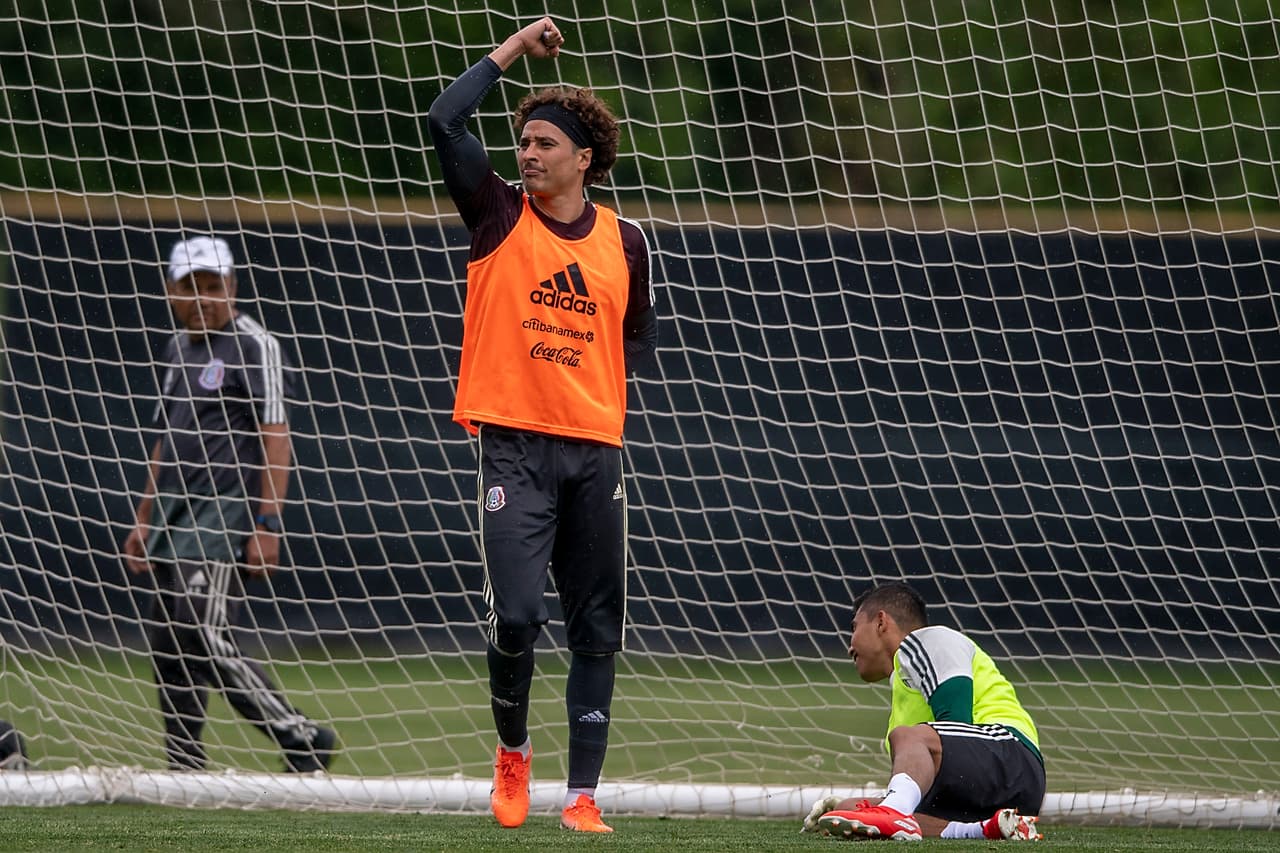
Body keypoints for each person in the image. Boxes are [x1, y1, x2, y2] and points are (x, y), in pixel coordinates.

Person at [426, 16, 658, 834]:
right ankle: (513, 753)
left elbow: (632, 340)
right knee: (518, 615)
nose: (527, 153)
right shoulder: (496, 214)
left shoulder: (627, 241)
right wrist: (515, 49)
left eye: (544, 144)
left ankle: (584, 795)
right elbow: (444, 120)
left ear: (583, 158)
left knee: (596, 627)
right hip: (513, 450)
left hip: (596, 453)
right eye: (523, 141)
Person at [122, 235, 336, 774]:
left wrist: (267, 523)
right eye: (190, 287)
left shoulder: (255, 345)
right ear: (171, 293)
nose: (202, 298)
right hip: (173, 508)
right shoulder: (176, 348)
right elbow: (165, 437)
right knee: (169, 639)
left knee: (204, 630)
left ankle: (302, 737)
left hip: (225, 507)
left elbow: (276, 436)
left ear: (233, 287)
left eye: (213, 286)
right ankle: (184, 761)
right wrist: (144, 517)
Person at [801, 582, 1045, 842]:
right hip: (997, 798)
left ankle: (892, 811)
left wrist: (891, 805)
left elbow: (957, 726)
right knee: (851, 808)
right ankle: (986, 829)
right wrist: (857, 808)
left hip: (1011, 757)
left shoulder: (928, 641)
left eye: (853, 628)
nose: (850, 646)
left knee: (906, 738)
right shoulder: (903, 703)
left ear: (881, 622)